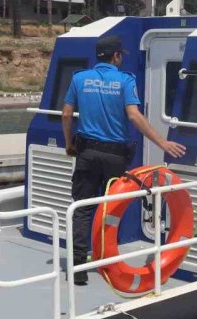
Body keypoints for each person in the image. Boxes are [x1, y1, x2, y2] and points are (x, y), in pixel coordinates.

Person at [61, 35, 186, 285]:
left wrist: (69, 144)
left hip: (86, 153)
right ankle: (106, 261)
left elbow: (66, 114)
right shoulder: (125, 81)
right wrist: (162, 143)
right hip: (114, 155)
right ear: (116, 56)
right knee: (110, 209)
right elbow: (134, 116)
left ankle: (78, 267)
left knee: (83, 208)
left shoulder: (79, 79)